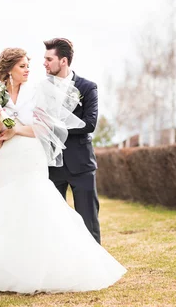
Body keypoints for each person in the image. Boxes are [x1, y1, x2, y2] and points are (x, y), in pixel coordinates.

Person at [0, 47, 125, 294]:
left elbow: (44, 128)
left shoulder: (36, 93)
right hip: (8, 158)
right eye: (23, 66)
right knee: (8, 209)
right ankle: (6, 270)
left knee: (37, 204)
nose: (27, 70)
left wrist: (14, 128)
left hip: (31, 154)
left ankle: (46, 269)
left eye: (28, 66)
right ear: (9, 69)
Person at [44, 38, 102, 244]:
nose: (44, 63)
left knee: (89, 220)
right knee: (53, 222)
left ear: (64, 61)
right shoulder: (41, 89)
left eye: (49, 59)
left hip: (81, 165)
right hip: (52, 165)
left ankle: (96, 271)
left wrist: (53, 126)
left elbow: (89, 124)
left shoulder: (87, 88)